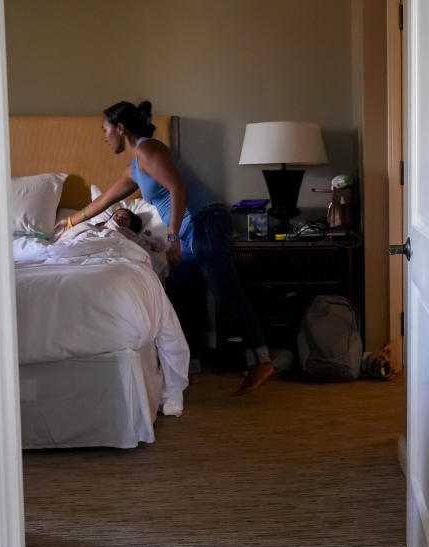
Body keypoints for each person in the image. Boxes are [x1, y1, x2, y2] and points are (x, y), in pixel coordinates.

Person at [55, 100, 273, 395]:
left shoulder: (149, 149)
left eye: (105, 130)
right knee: (183, 292)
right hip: (192, 226)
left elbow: (178, 188)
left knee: (224, 288)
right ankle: (190, 367)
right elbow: (104, 200)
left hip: (206, 219)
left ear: (121, 128)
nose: (103, 137)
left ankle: (260, 360)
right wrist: (70, 221)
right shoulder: (134, 168)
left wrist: (172, 238)